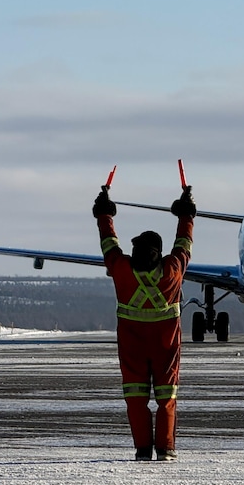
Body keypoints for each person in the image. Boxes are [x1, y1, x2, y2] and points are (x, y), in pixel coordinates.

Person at [92, 183, 196, 461]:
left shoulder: (122, 270)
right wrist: (186, 215)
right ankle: (166, 449)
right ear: (159, 253)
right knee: (167, 398)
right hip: (166, 346)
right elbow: (184, 246)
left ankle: (142, 449)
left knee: (135, 398)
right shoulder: (173, 271)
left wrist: (104, 214)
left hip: (132, 347)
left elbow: (109, 245)